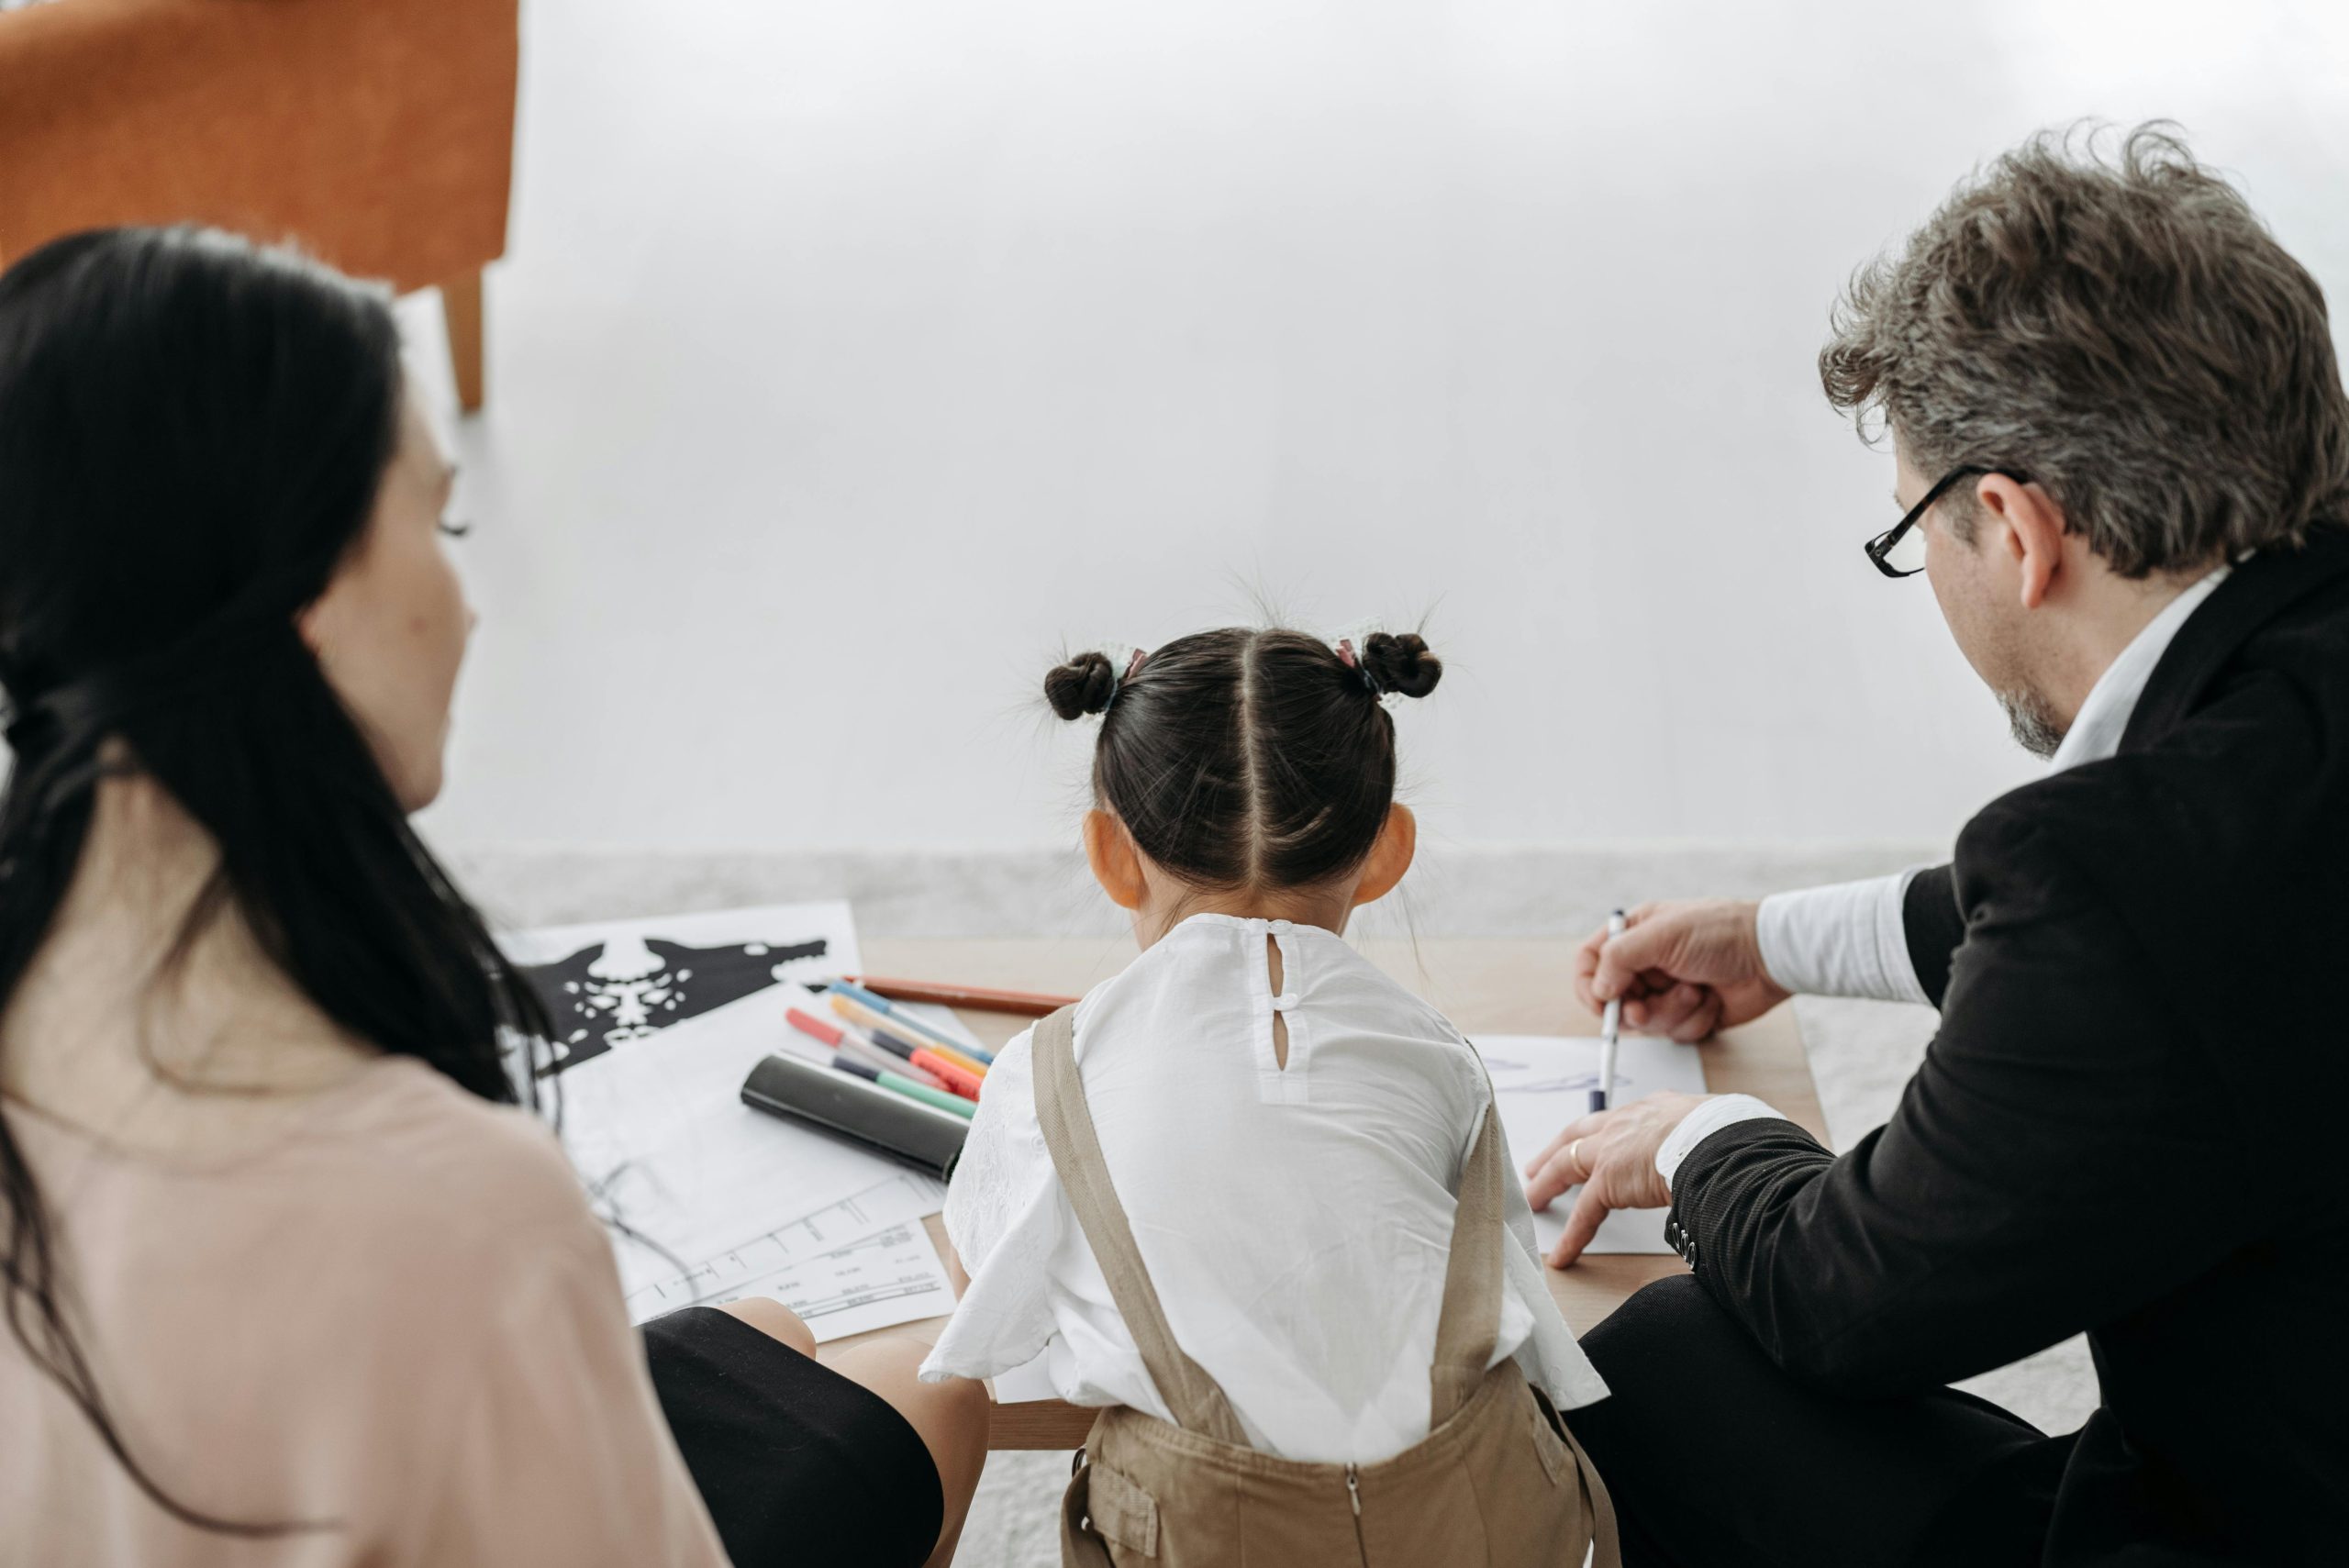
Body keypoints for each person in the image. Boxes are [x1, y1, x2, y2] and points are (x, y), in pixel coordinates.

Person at [0, 226, 985, 1566]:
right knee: (938, 1380)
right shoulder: (453, 1209)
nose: (467, 608)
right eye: (441, 522)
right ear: (310, 601)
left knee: (769, 1339)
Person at [1520, 126, 2349, 1565]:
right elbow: (2185, 926)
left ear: (2017, 531)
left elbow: (1855, 1300)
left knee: (1652, 1358)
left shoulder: (2126, 876)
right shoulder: (2266, 754)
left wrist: (1705, 1136)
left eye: (1921, 534)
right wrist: (1772, 937)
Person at [921, 629, 1617, 1563]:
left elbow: (992, 1313)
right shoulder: (1439, 1054)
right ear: (1387, 850)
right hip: (1474, 1521)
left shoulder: (1049, 1068)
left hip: (1206, 1531)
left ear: (1108, 853)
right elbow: (1503, 1290)